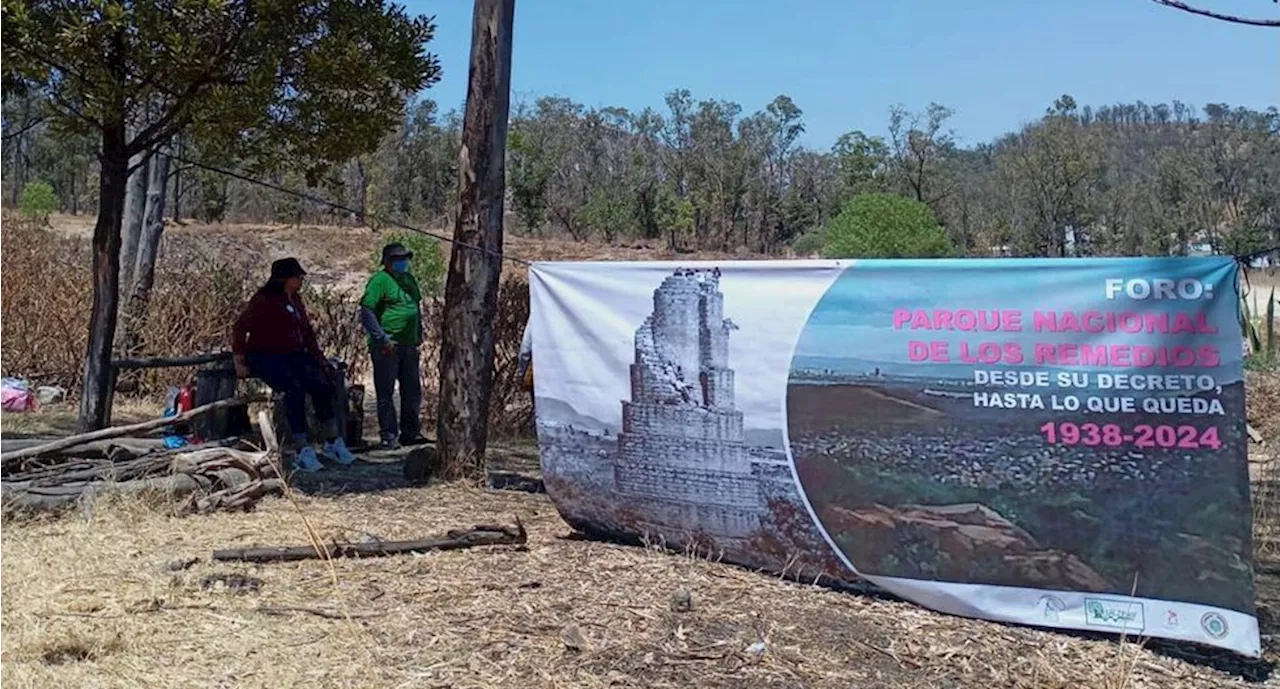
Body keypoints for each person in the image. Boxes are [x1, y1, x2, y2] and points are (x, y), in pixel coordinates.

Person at [232, 257, 356, 472]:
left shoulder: (295, 300)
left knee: (323, 387)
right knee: (294, 391)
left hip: (295, 354)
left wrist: (320, 359)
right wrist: (239, 360)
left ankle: (332, 441)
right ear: (284, 279)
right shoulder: (264, 299)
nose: (300, 281)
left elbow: (307, 333)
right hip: (266, 355)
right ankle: (302, 448)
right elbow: (240, 327)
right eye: (297, 277)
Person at [360, 243, 425, 450]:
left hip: (408, 344)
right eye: (398, 259)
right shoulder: (379, 281)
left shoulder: (409, 280)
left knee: (412, 390)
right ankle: (389, 434)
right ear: (387, 261)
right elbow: (367, 311)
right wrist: (382, 339)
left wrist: (419, 334)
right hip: (387, 346)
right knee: (386, 392)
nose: (402, 262)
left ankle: (411, 433)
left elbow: (415, 307)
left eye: (404, 258)